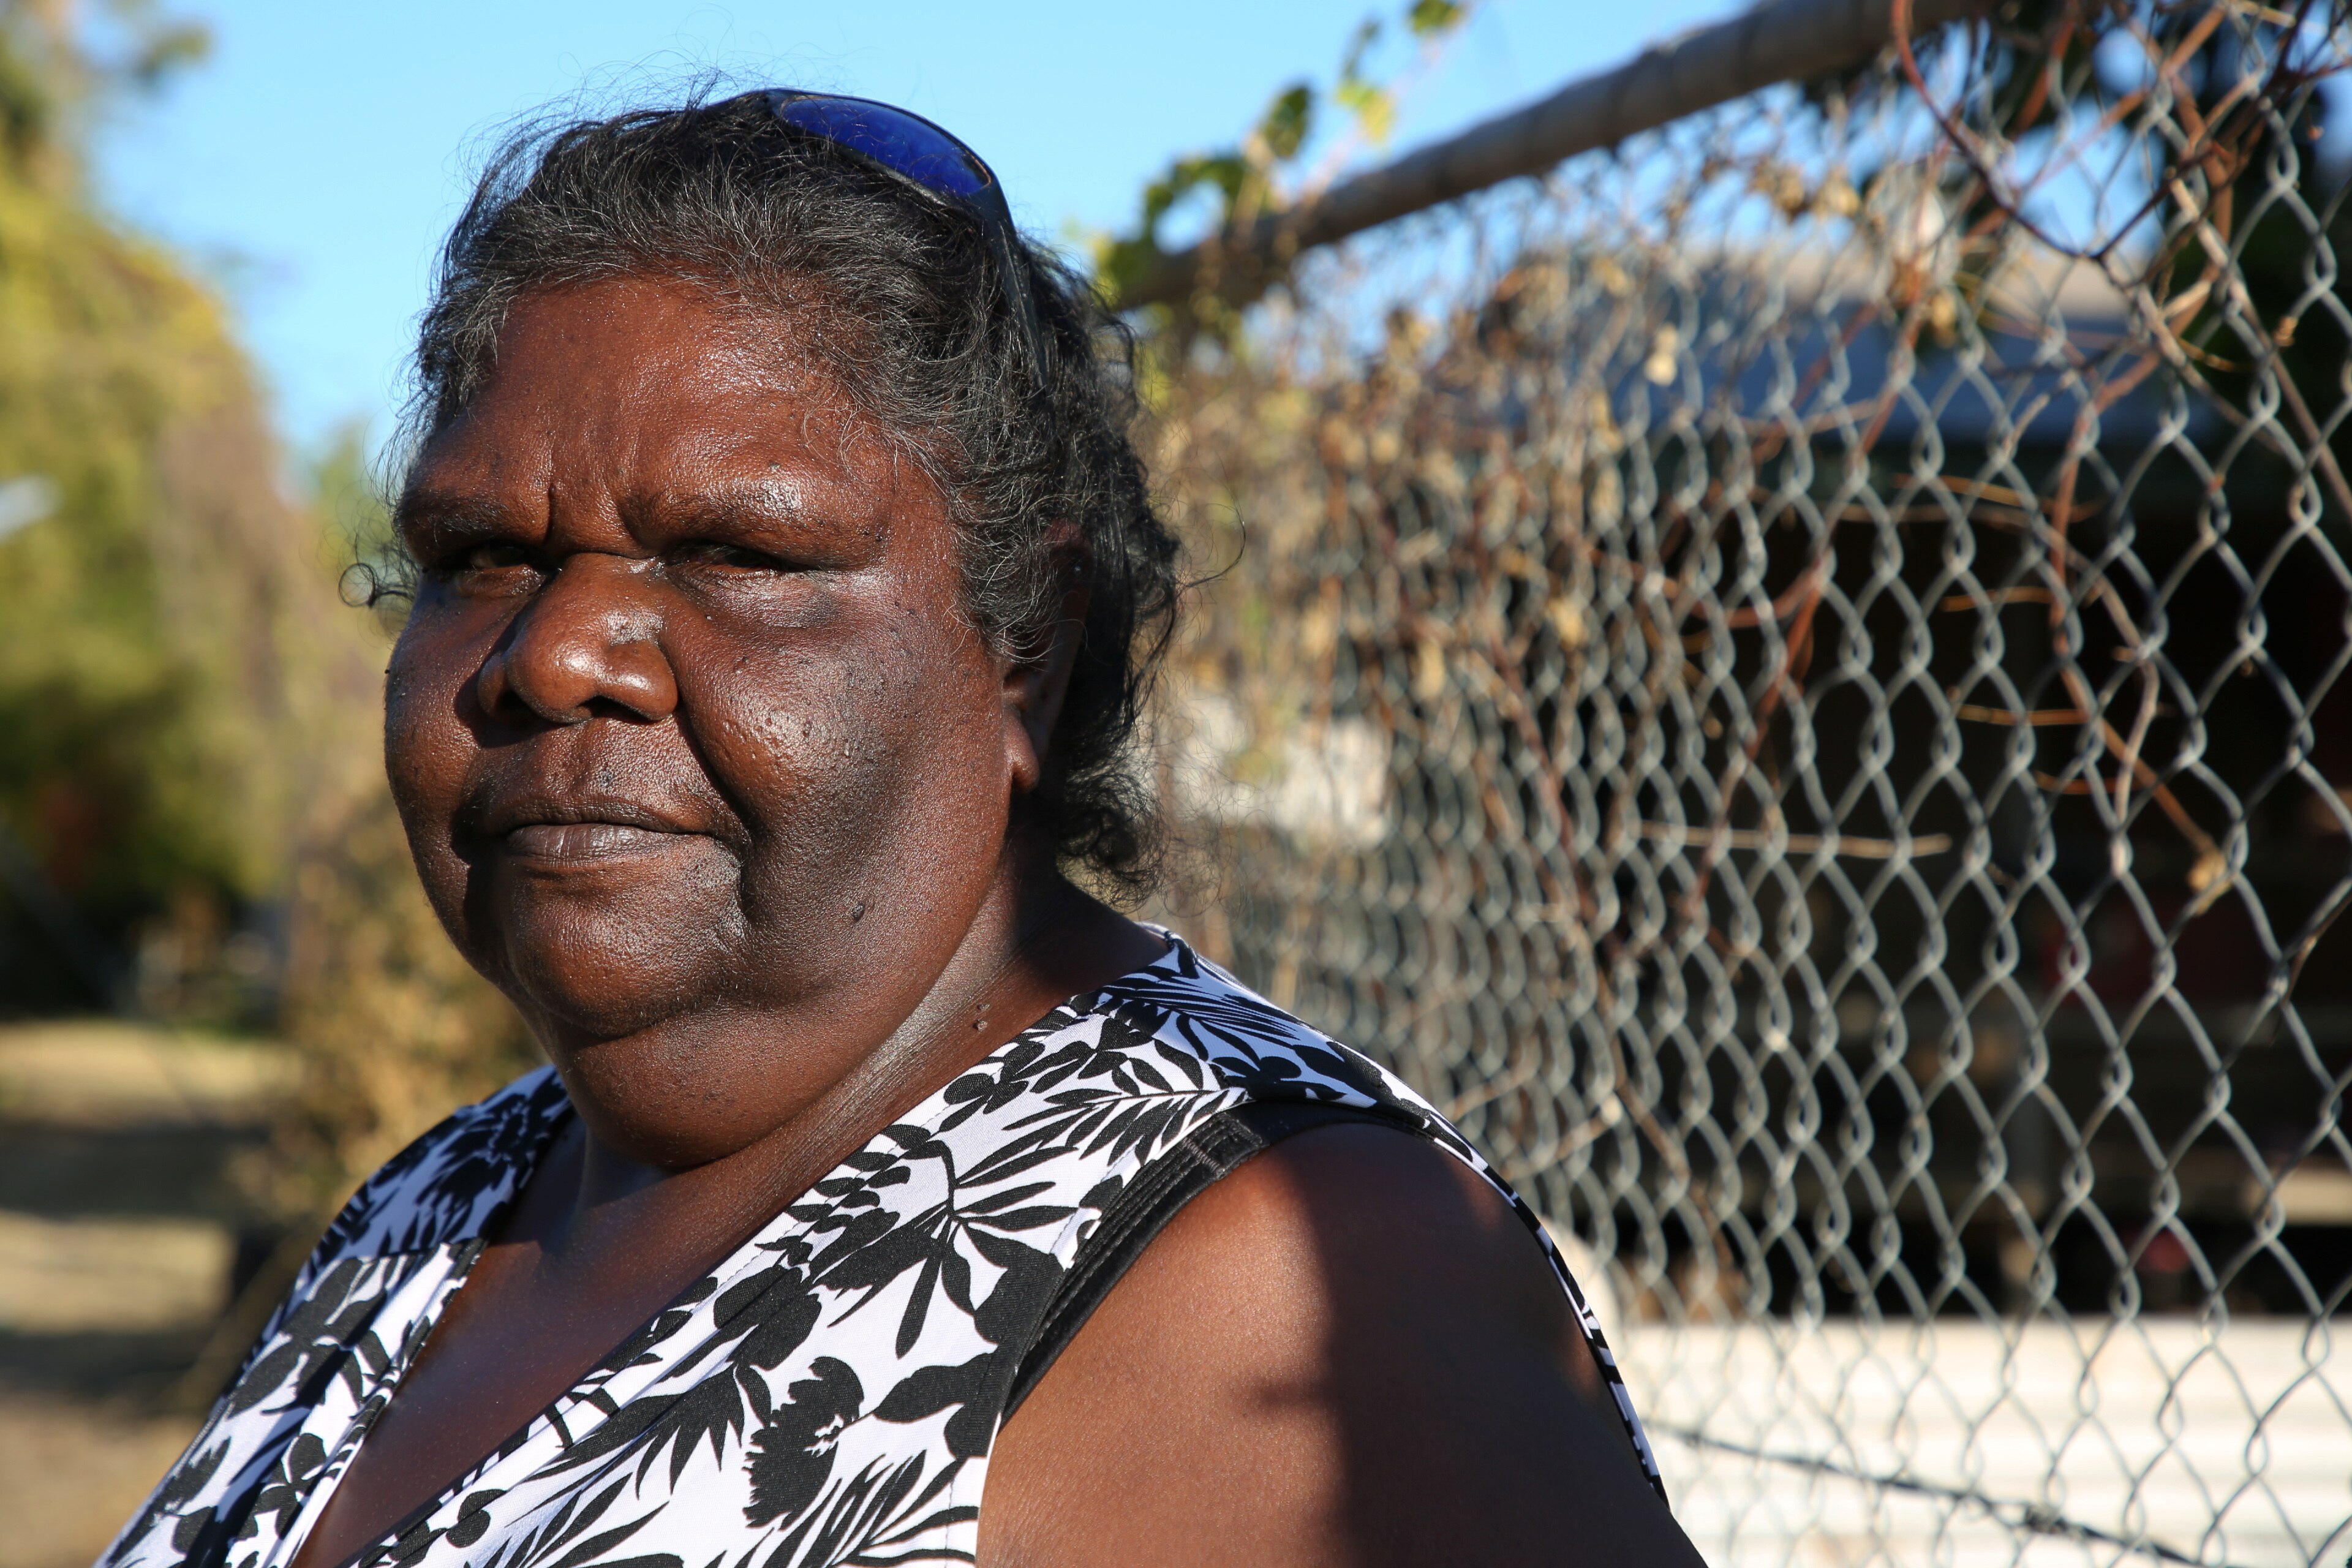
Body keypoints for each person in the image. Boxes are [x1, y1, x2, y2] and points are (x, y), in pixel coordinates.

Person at [102, 91, 1703, 1568]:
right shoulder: (446, 1202)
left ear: (1026, 645)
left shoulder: (1274, 1263)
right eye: (484, 554)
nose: (558, 654)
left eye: (738, 552)